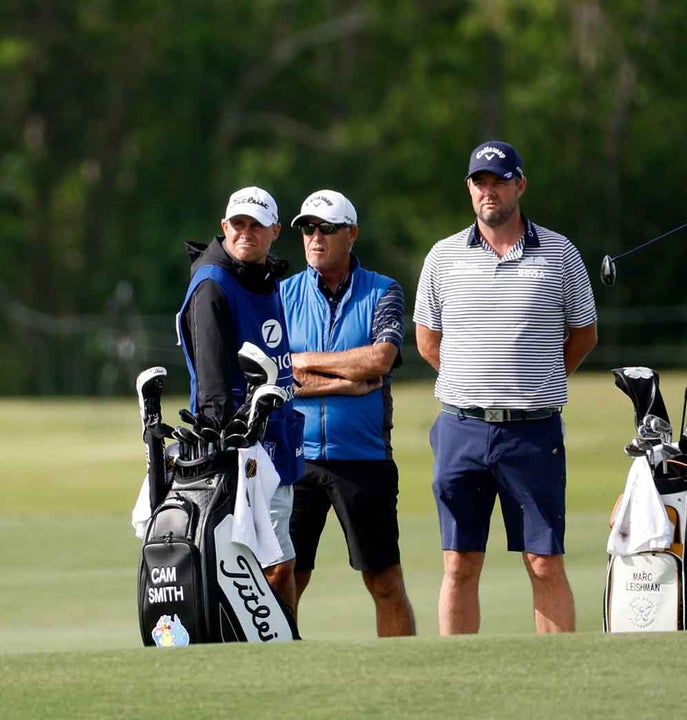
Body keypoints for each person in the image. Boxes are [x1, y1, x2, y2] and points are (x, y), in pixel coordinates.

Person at [413, 140, 598, 634]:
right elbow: (428, 338)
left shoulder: (560, 253)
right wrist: (470, 378)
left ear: (520, 185)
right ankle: (458, 679)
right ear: (470, 189)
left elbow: (583, 333)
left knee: (544, 562)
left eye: (498, 181)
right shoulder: (443, 255)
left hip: (532, 432)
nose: (488, 191)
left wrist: (537, 378)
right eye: (480, 182)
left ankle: (555, 679)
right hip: (462, 429)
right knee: (459, 563)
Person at [280, 189, 416, 637]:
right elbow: (280, 372)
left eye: (326, 229)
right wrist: (340, 380)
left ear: (351, 234)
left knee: (383, 580)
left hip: (364, 457)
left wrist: (305, 360)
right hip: (294, 458)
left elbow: (380, 358)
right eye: (307, 229)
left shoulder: (384, 290)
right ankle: (281, 678)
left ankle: (403, 678)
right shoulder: (282, 294)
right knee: (285, 579)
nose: (314, 238)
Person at [178, 186, 304, 614]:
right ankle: (270, 650)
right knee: (273, 565)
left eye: (255, 225)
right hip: (241, 449)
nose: (245, 233)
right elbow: (212, 384)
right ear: (224, 227)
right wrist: (222, 442)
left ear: (274, 231)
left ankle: (278, 648)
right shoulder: (212, 284)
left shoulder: (265, 278)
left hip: (275, 440)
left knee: (278, 563)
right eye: (237, 225)